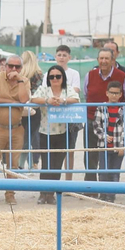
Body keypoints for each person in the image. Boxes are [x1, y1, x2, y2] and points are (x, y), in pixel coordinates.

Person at [0, 54, 31, 204]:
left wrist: (19, 80)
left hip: (16, 129)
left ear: (21, 68)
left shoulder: (24, 80)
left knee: (13, 164)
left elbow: (24, 100)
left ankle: (10, 194)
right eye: (11, 65)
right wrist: (12, 102)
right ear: (5, 66)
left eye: (17, 67)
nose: (13, 69)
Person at [29, 65, 79, 202]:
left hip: (62, 132)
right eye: (52, 76)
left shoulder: (67, 89)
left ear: (63, 77)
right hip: (45, 132)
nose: (55, 79)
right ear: (48, 78)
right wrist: (47, 101)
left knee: (57, 165)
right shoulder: (44, 89)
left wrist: (63, 101)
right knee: (46, 164)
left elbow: (76, 99)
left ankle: (51, 195)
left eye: (58, 76)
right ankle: (43, 193)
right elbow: (33, 99)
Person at [83, 47, 125, 182]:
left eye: (107, 58)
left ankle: (109, 188)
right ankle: (90, 186)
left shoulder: (122, 76)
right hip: (92, 121)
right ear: (97, 60)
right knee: (90, 154)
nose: (104, 61)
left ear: (113, 60)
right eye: (101, 58)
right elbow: (86, 94)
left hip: (114, 122)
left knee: (111, 155)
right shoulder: (90, 75)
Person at [90, 80, 125, 194]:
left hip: (118, 146)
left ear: (120, 94)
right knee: (103, 171)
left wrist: (123, 145)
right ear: (107, 93)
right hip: (104, 146)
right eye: (112, 92)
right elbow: (96, 125)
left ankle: (111, 195)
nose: (114, 95)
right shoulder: (101, 108)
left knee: (115, 172)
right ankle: (103, 194)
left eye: (116, 93)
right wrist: (103, 136)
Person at [51, 44, 83, 174]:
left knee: (70, 150)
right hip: (53, 116)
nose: (62, 57)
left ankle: (69, 182)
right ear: (55, 57)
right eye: (59, 55)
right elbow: (46, 92)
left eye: (64, 55)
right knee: (53, 151)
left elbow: (75, 92)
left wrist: (60, 97)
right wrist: (62, 97)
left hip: (70, 116)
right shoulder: (49, 73)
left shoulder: (74, 73)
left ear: (69, 57)